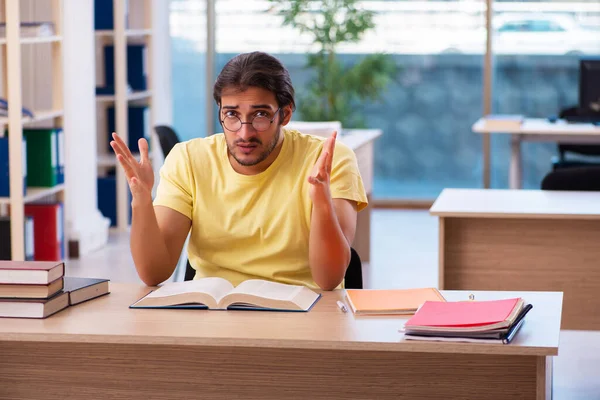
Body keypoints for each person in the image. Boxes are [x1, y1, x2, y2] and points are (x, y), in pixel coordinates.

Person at [110, 51, 368, 290]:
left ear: (285, 114)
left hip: (305, 312)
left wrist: (321, 202)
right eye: (231, 114)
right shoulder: (188, 159)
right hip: (214, 313)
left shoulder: (329, 159)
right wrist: (142, 201)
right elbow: (154, 273)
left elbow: (329, 279)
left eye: (260, 115)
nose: (244, 133)